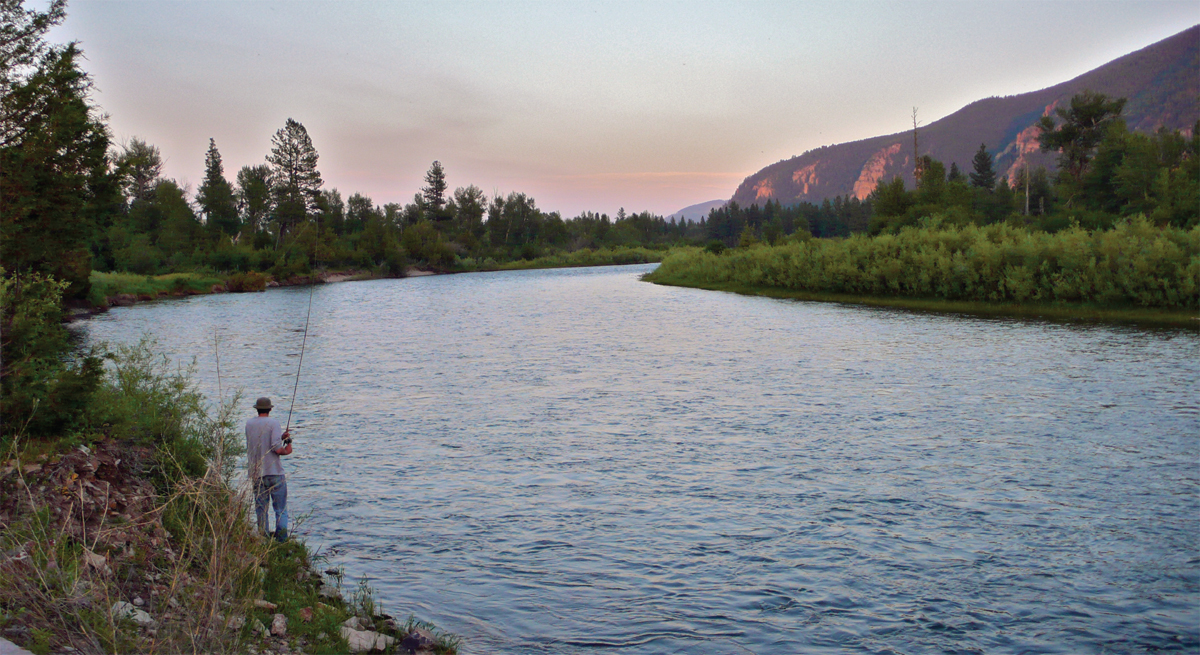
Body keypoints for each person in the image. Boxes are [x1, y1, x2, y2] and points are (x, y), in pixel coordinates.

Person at [245, 397, 292, 542]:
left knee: (261, 509)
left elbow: (261, 441)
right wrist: (288, 444)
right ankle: (282, 541)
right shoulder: (273, 423)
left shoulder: (249, 424)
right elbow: (277, 449)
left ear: (257, 409)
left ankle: (263, 539)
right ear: (270, 409)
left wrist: (280, 436)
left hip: (257, 473)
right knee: (280, 510)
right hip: (274, 473)